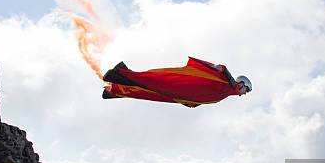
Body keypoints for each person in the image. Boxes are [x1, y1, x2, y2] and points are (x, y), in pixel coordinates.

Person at [102, 57, 252, 107]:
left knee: (154, 92)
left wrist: (192, 103)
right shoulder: (227, 81)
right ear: (241, 84)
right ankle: (120, 74)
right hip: (183, 87)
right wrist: (216, 68)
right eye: (246, 89)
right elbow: (220, 69)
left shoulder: (225, 92)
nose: (244, 94)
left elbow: (203, 97)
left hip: (182, 94)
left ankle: (117, 87)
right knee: (157, 82)